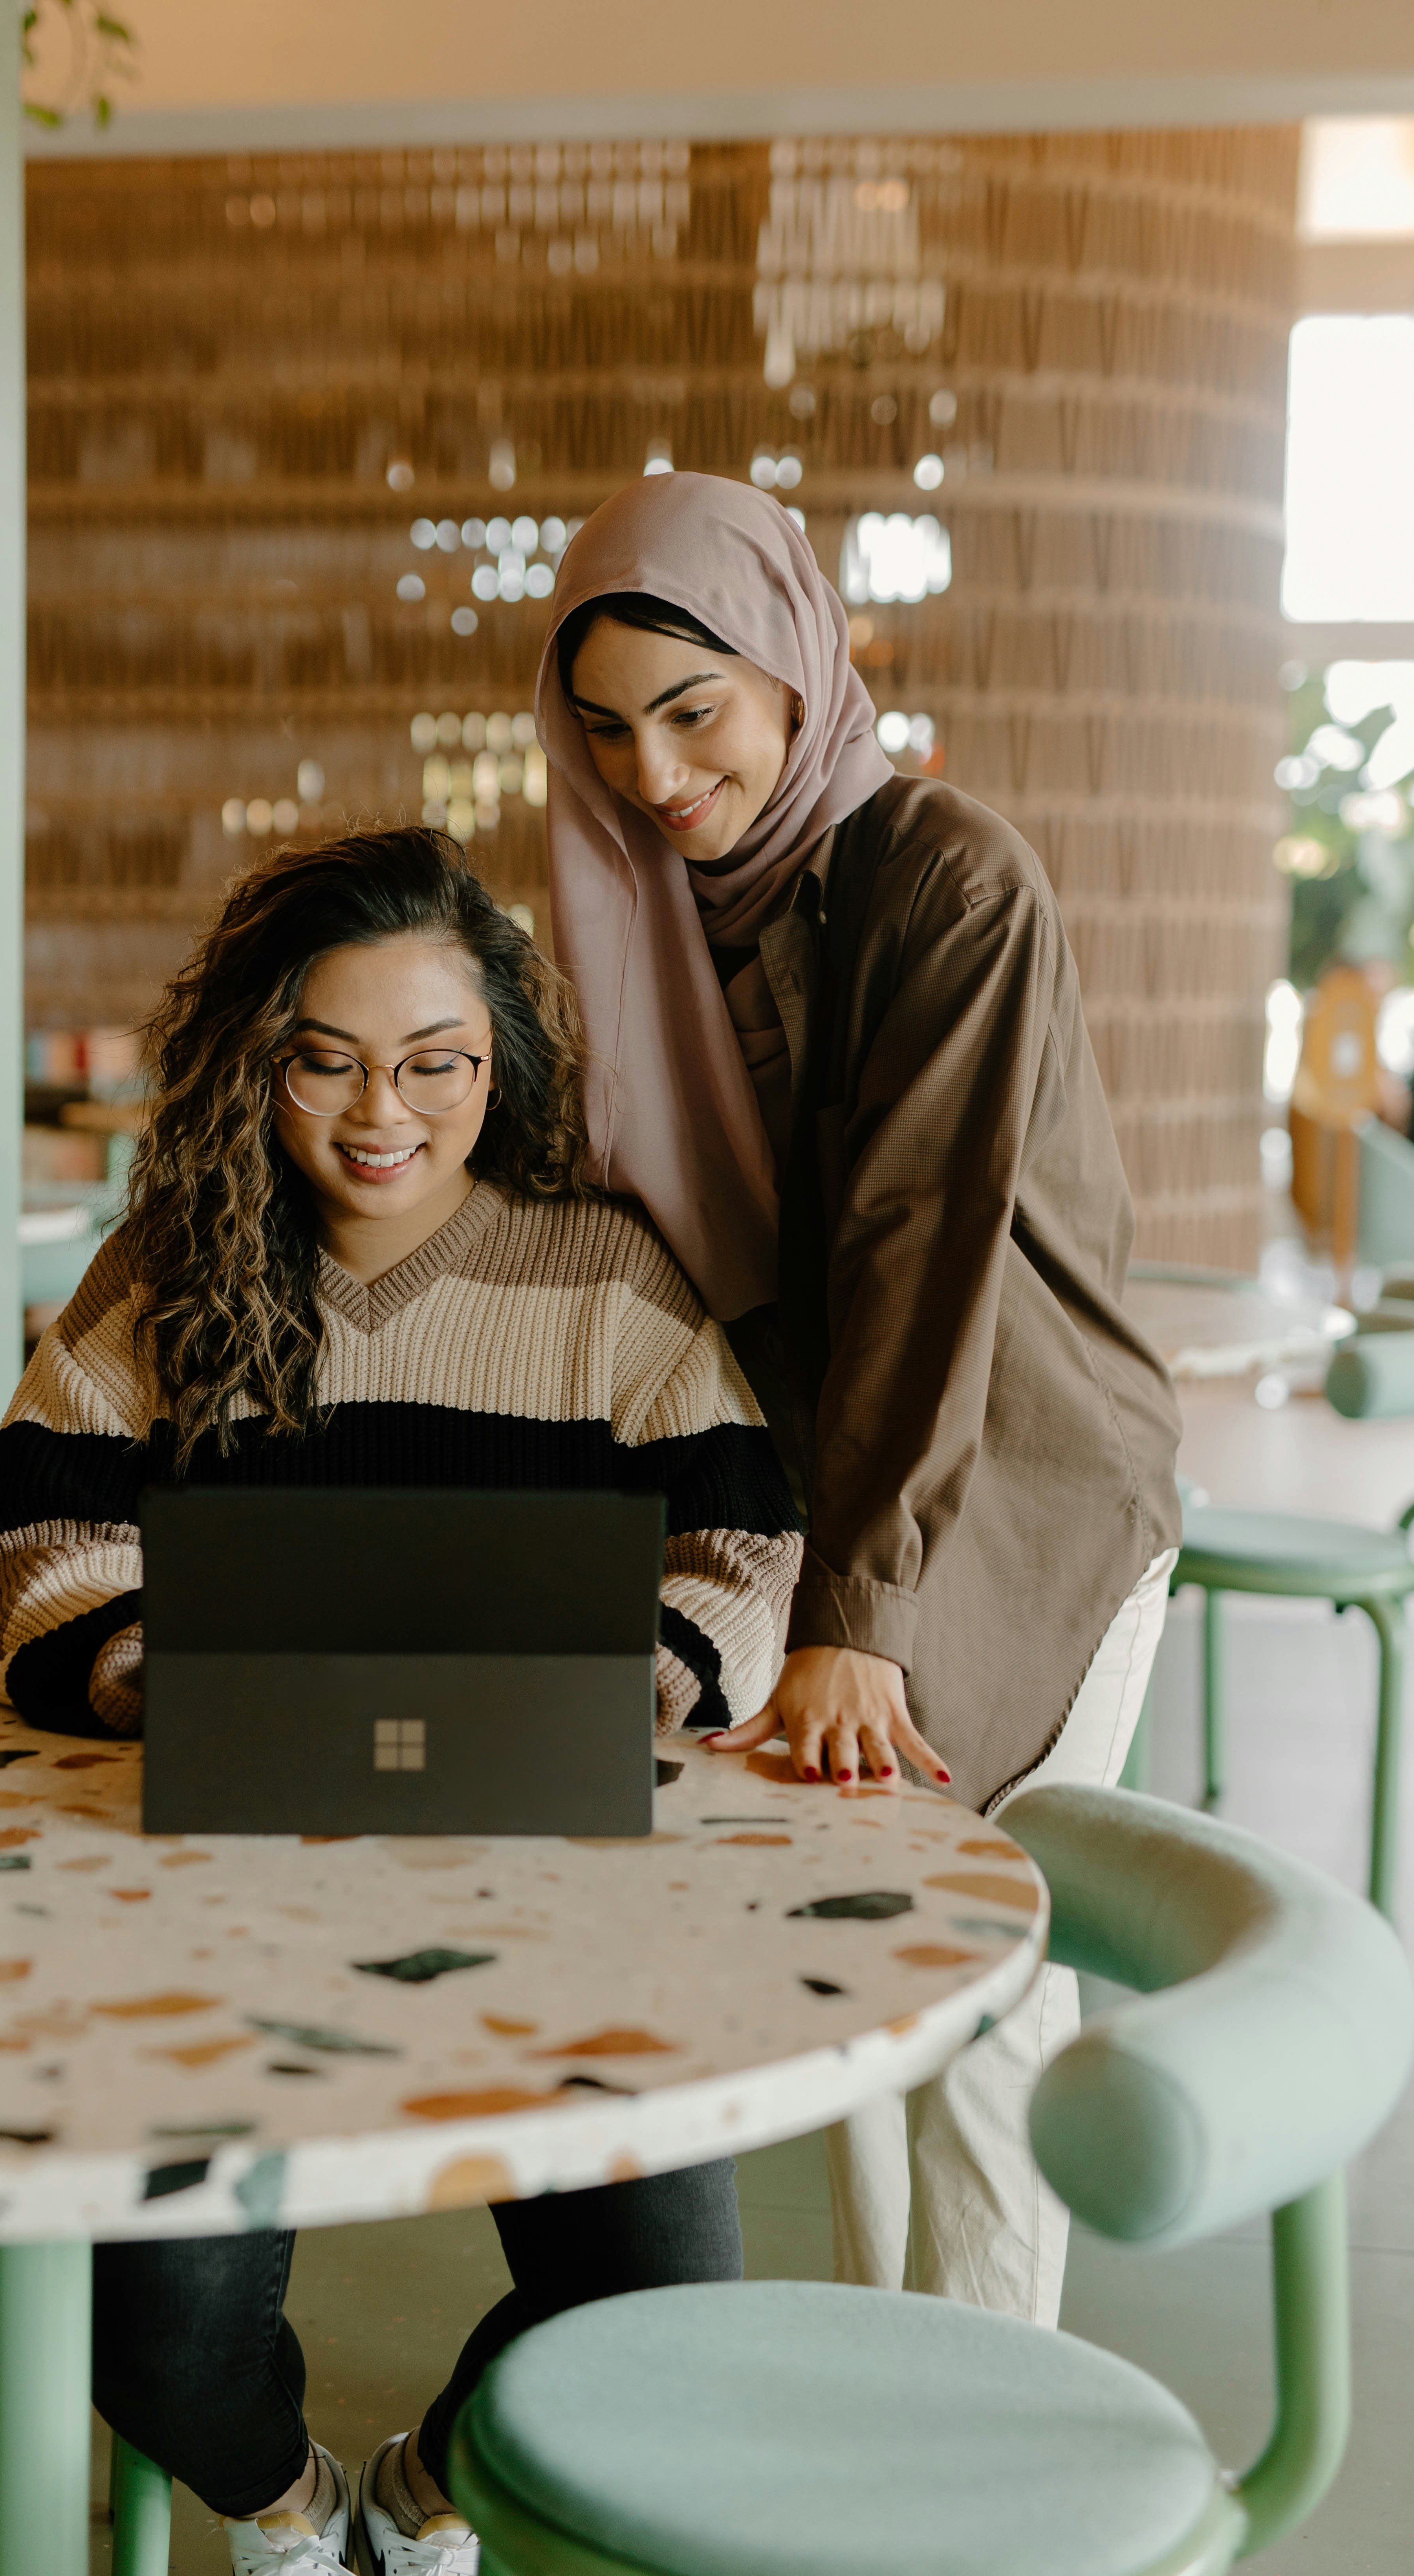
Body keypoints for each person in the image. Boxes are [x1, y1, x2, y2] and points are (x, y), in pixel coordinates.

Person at [0, 826, 800, 2576]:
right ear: (254, 1060)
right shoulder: (170, 1263)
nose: (381, 1114)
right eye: (324, 1059)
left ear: (501, 1061)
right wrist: (141, 1667)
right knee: (147, 2329)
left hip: (551, 1885)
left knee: (659, 2307)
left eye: (438, 1062)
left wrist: (651, 1665)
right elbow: (38, 1534)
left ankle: (425, 2496)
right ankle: (288, 2513)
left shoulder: (602, 1272)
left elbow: (740, 1537)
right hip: (198, 1891)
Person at [537, 471, 1183, 2330]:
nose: (651, 773)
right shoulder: (650, 914)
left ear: (797, 670)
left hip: (1026, 1481)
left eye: (691, 710)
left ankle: (980, 2427)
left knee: (973, 1954)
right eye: (603, 728)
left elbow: (916, 1245)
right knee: (851, 1956)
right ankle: (868, 2373)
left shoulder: (945, 875)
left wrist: (858, 1614)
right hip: (838, 1479)